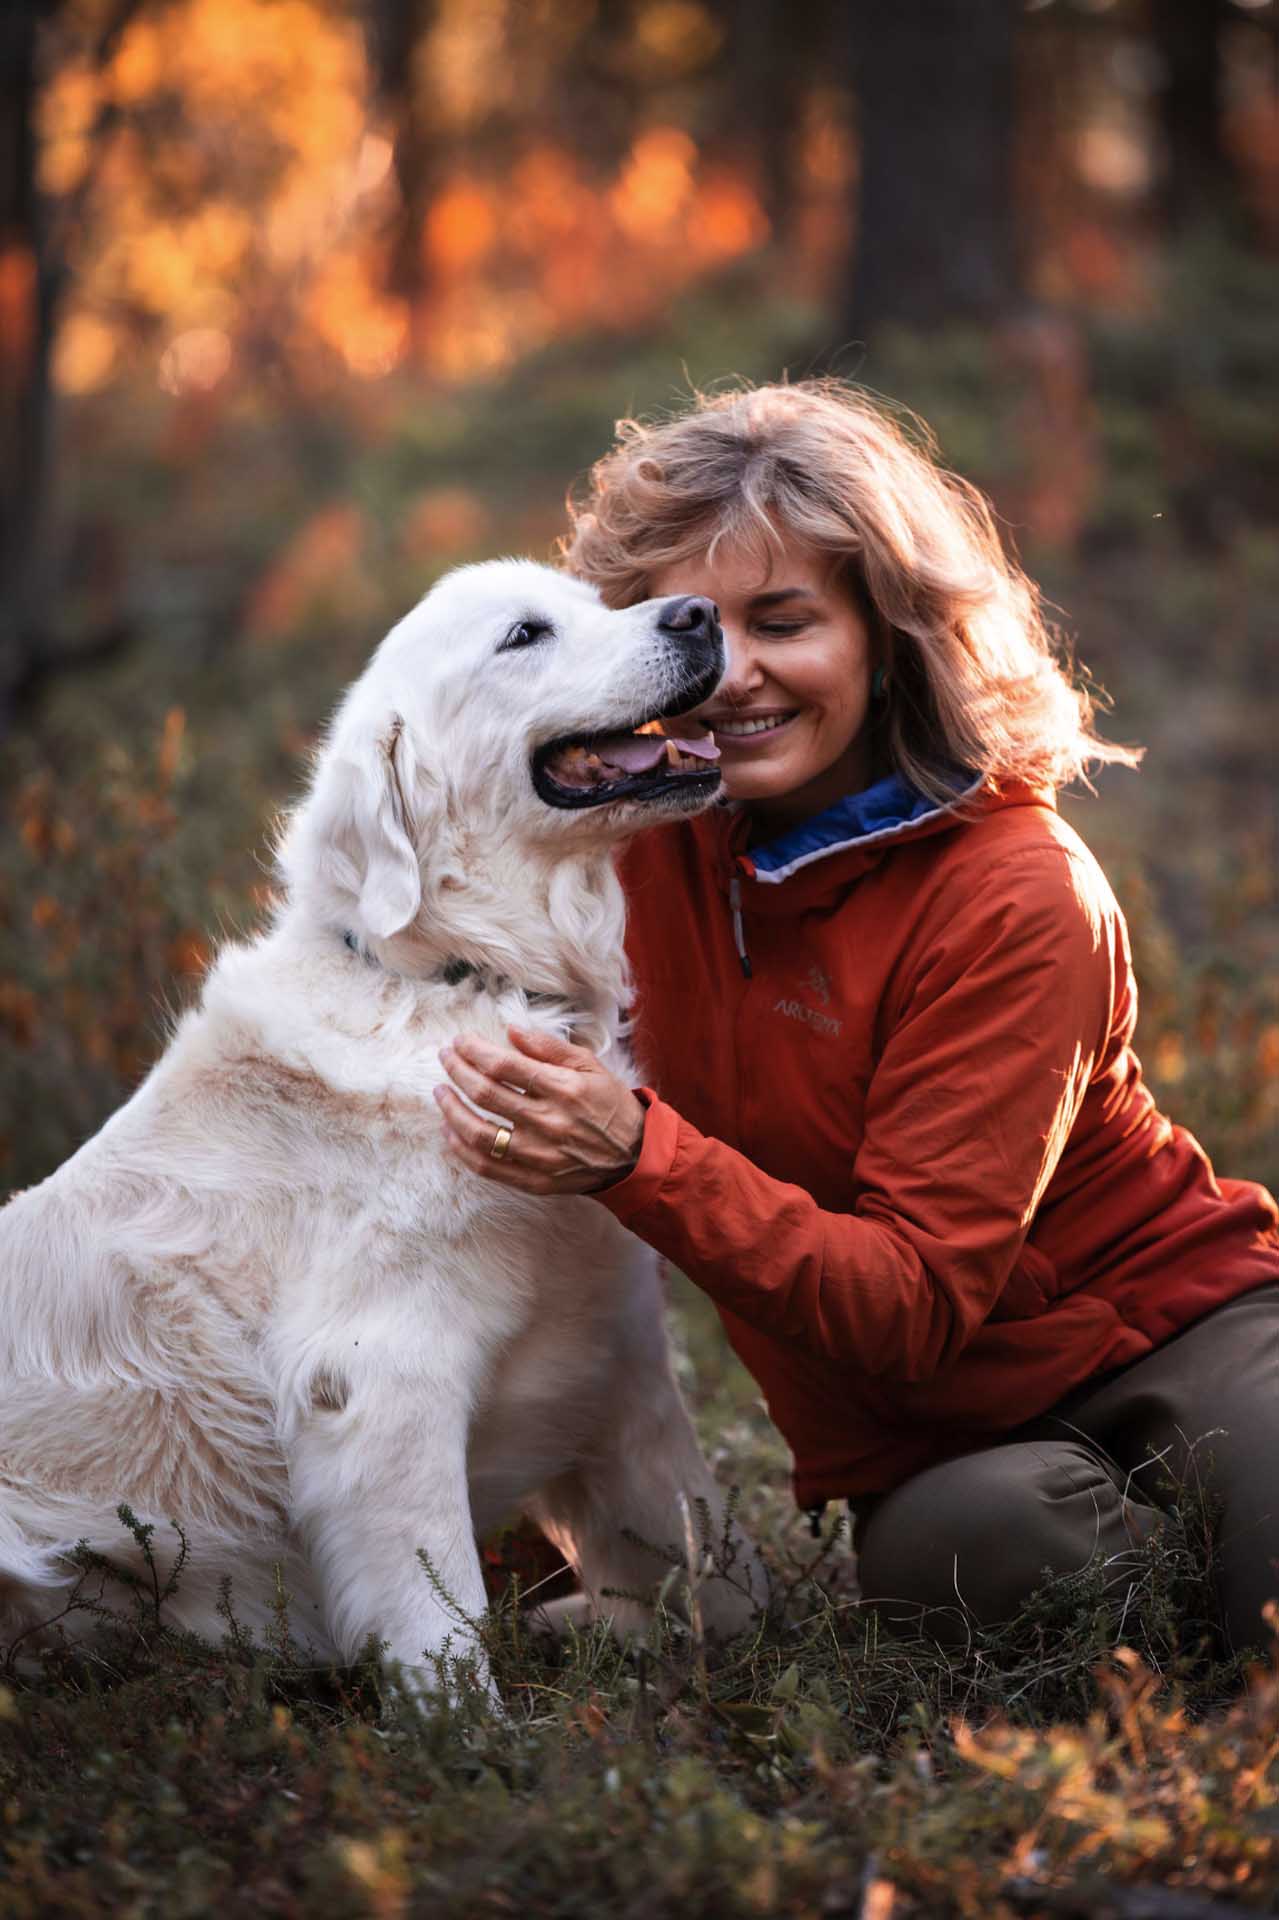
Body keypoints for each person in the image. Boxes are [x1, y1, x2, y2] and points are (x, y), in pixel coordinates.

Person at [433, 380, 1279, 1653]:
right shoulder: (632, 843)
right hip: (944, 1444)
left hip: (1174, 1337)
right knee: (974, 1561)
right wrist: (473, 1562)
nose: (734, 675)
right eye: (690, 630)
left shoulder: (1014, 890)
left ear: (889, 637)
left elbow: (913, 1297)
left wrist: (635, 1154)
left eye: (785, 622)